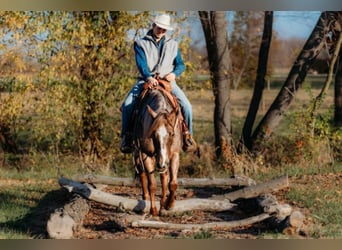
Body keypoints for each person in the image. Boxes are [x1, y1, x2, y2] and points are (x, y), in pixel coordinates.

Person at [120, 13, 197, 154]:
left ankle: (188, 136)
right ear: (153, 25)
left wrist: (174, 74)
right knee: (126, 106)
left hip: (168, 83)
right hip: (146, 81)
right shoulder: (140, 43)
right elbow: (141, 63)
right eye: (159, 27)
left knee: (187, 106)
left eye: (164, 29)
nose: (161, 31)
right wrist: (148, 77)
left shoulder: (173, 45)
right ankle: (126, 137)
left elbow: (180, 65)